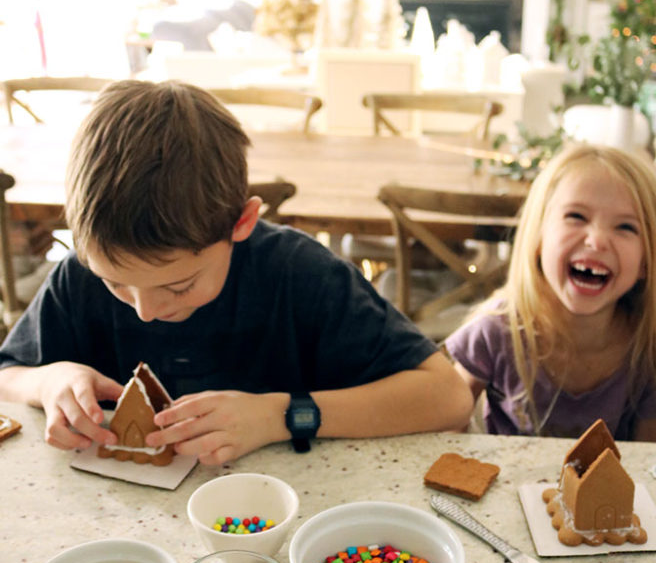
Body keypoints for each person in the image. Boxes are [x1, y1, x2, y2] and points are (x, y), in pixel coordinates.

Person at [0, 79, 473, 464]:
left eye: (179, 284)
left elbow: (447, 397)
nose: (145, 311)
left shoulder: (301, 275)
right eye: (116, 283)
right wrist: (46, 381)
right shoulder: (79, 274)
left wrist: (281, 415)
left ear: (241, 222)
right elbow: (8, 374)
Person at [445, 143, 656, 442]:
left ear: (647, 262)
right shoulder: (494, 331)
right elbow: (446, 430)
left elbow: (649, 463)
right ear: (539, 238)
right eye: (576, 217)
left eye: (625, 227)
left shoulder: (653, 351)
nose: (596, 240)